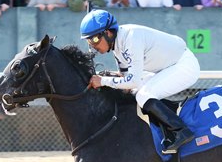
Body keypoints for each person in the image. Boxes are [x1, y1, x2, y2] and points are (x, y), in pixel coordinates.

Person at [82, 9, 200, 154]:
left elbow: (133, 81)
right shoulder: (117, 48)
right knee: (137, 92)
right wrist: (108, 78)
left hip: (184, 65)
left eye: (94, 39)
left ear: (108, 32)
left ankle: (181, 131)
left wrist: (104, 81)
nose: (93, 45)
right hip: (168, 67)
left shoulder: (131, 38)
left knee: (143, 94)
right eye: (89, 41)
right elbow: (125, 79)